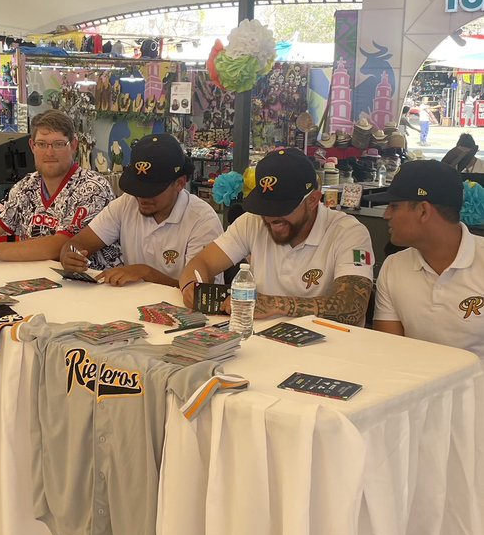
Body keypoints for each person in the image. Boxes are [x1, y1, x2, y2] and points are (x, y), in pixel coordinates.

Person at [179, 147, 374, 326]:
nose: (271, 217)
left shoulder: (349, 233)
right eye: (265, 207)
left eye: (282, 208)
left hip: (330, 352)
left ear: (313, 200)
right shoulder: (252, 221)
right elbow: (202, 262)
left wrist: (276, 304)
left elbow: (352, 308)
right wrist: (191, 288)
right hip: (262, 345)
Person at [0, 109, 119, 266]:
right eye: (42, 144)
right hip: (40, 285)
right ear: (32, 146)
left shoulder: (92, 187)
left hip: (90, 290)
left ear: (73, 146)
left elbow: (59, 245)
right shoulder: (27, 185)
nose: (49, 152)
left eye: (58, 144)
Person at [59, 133, 221, 285]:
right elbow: (79, 242)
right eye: (137, 189)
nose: (142, 197)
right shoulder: (126, 203)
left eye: (153, 190)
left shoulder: (202, 220)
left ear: (179, 183)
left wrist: (146, 274)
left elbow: (199, 292)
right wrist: (70, 254)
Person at [373, 160, 484, 363]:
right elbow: (389, 355)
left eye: (394, 206)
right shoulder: (393, 266)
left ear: (423, 211)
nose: (386, 215)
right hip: (416, 390)